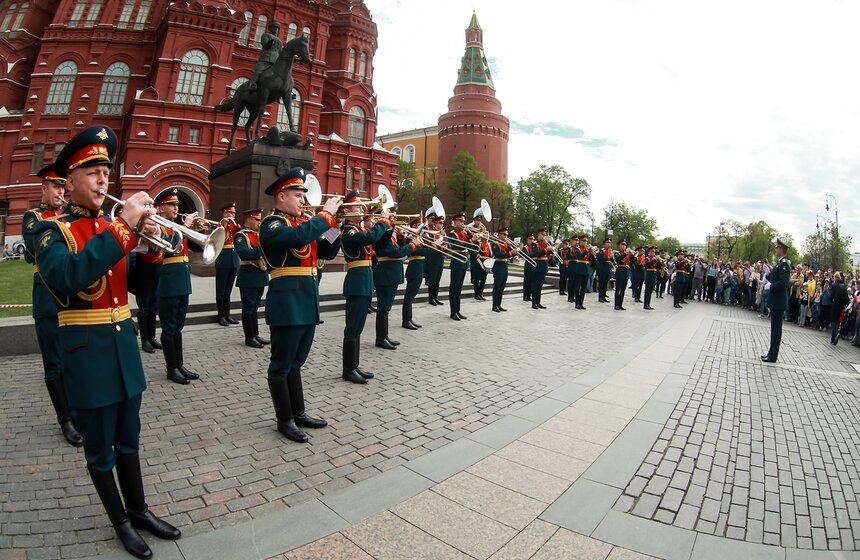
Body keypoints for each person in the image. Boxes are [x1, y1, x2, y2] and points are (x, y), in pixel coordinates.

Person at [35, 126, 180, 558]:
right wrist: (123, 231)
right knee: (100, 451)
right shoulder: (50, 232)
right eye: (93, 172)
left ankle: (138, 509)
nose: (103, 180)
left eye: (105, 172)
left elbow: (141, 290)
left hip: (122, 351)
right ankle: (120, 522)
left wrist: (153, 250)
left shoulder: (109, 229)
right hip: (87, 356)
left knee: (129, 439)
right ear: (70, 180)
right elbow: (69, 277)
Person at [259, 168, 342, 441]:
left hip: (306, 301)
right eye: (298, 195)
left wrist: (335, 228)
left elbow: (327, 251)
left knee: (296, 362)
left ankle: (299, 412)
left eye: (303, 195)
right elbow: (296, 240)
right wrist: (325, 216)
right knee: (281, 364)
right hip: (287, 302)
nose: (303, 201)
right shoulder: (271, 224)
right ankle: (284, 419)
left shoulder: (301, 224)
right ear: (281, 196)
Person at [23, 164, 83, 447]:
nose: (60, 191)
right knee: (54, 364)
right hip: (47, 299)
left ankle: (77, 409)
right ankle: (65, 420)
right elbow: (36, 248)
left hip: (72, 300)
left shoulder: (70, 215)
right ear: (44, 189)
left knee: (73, 360)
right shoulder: (33, 217)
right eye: (55, 187)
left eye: (63, 187)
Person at [340, 191, 391, 383]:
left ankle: (354, 365)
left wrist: (387, 226)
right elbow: (370, 238)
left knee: (358, 327)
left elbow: (377, 240)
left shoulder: (359, 230)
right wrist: (383, 222)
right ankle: (348, 369)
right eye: (356, 207)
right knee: (352, 327)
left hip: (365, 281)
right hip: (356, 282)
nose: (361, 209)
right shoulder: (349, 231)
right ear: (347, 211)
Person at [154, 189, 200, 385]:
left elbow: (199, 247)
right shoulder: (157, 227)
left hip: (182, 283)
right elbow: (168, 247)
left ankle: (179, 364)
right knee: (169, 328)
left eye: (177, 205)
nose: (176, 208)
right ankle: (171, 368)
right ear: (161, 207)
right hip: (167, 284)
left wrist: (197, 231)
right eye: (171, 205)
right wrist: (185, 227)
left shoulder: (177, 228)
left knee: (178, 328)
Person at [372, 212, 421, 348]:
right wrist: (412, 245)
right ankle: (380, 338)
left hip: (391, 275)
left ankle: (384, 336)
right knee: (383, 308)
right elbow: (396, 253)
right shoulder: (382, 237)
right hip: (386, 275)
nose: (393, 220)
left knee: (386, 308)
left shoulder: (389, 237)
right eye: (391, 218)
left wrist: (400, 236)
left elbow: (397, 248)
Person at [233, 208, 269, 348]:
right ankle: (249, 338)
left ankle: (255, 335)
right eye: (257, 220)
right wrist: (262, 249)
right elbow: (245, 253)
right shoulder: (241, 236)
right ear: (249, 220)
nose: (259, 223)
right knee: (248, 308)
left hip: (260, 275)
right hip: (248, 276)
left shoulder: (257, 234)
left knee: (255, 308)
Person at [127, 241, 162, 354]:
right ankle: (145, 340)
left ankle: (152, 338)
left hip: (156, 269)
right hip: (142, 271)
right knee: (144, 308)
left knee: (153, 307)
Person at [762, 239, 791, 362]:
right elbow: (775, 277)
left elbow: (783, 283)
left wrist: (770, 286)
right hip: (775, 301)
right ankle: (770, 353)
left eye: (777, 248)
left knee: (776, 330)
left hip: (778, 302)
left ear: (781, 249)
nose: (775, 250)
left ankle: (773, 356)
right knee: (774, 329)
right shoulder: (779, 263)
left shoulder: (784, 264)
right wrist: (768, 274)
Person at [401, 218, 431, 329]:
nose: (420, 228)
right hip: (414, 268)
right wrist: (435, 246)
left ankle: (409, 319)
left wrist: (428, 240)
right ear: (412, 227)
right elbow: (420, 251)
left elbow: (426, 250)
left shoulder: (419, 238)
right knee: (409, 296)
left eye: (420, 225)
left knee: (411, 296)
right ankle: (406, 321)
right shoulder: (409, 239)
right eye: (417, 225)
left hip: (419, 267)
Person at [214, 202, 241, 326]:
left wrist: (234, 225)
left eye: (234, 213)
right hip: (223, 261)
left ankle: (227, 315)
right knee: (221, 290)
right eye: (230, 213)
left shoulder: (233, 227)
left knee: (228, 291)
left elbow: (240, 234)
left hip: (233, 260)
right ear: (225, 213)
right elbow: (217, 240)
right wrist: (223, 224)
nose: (232, 215)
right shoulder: (220, 226)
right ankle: (221, 316)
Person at [446, 211, 473, 320]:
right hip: (457, 263)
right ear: (455, 221)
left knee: (459, 288)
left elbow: (471, 243)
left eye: (463, 221)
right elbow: (459, 245)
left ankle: (458, 310)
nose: (463, 223)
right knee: (454, 288)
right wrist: (471, 239)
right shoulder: (452, 234)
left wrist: (470, 233)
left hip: (463, 262)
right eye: (460, 221)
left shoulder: (464, 233)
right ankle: (453, 312)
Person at [248, 22, 283, 92]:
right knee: (258, 72)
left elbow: (281, 52)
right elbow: (265, 44)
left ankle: (280, 91)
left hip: (275, 61)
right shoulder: (265, 35)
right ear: (270, 28)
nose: (276, 29)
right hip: (266, 58)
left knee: (281, 76)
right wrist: (269, 43)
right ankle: (252, 85)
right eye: (274, 27)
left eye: (277, 28)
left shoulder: (279, 41)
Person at [491, 227, 516, 312]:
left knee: (502, 286)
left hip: (505, 265)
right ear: (499, 234)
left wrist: (511, 247)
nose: (506, 236)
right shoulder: (495, 243)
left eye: (506, 235)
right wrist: (510, 253)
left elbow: (512, 252)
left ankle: (499, 304)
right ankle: (494, 305)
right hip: (498, 265)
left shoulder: (506, 244)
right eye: (504, 234)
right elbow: (498, 255)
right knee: (497, 286)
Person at [423, 210, 445, 306]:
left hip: (440, 257)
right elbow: (429, 245)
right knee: (432, 279)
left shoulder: (442, 234)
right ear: (435, 224)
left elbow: (446, 245)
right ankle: (431, 298)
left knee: (438, 279)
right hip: (432, 258)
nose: (441, 225)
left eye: (442, 223)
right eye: (439, 223)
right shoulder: (429, 233)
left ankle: (436, 297)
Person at [527, 228, 551, 309]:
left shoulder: (546, 244)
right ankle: (534, 303)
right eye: (543, 235)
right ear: (539, 235)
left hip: (544, 266)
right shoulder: (535, 244)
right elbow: (536, 254)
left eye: (545, 235)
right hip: (537, 267)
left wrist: (550, 247)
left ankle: (538, 302)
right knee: (535, 285)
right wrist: (545, 250)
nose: (544, 237)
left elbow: (551, 252)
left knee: (540, 286)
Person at [570, 235, 592, 310]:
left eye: (586, 241)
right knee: (577, 287)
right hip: (579, 269)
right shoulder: (577, 249)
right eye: (584, 241)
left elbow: (591, 259)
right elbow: (579, 256)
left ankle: (581, 303)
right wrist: (586, 251)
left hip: (586, 270)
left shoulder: (587, 250)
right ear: (580, 241)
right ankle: (577, 303)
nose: (585, 242)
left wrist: (592, 253)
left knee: (584, 288)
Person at [829, 272, 850, 345]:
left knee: (833, 320)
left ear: (835, 278)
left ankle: (836, 333)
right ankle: (833, 339)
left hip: (835, 305)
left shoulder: (834, 285)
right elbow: (847, 299)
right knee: (837, 321)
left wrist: (832, 301)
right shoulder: (844, 286)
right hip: (841, 306)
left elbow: (831, 297)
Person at [614, 240, 631, 310]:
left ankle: (620, 304)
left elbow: (633, 260)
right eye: (622, 245)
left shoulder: (627, 254)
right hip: (620, 272)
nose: (624, 246)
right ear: (619, 246)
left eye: (625, 245)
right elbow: (618, 259)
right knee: (618, 289)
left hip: (626, 272)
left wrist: (631, 254)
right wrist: (625, 253)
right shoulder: (617, 253)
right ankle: (616, 305)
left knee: (623, 290)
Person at [596, 238, 613, 303]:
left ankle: (604, 296)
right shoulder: (601, 251)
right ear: (604, 244)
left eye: (609, 243)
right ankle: (600, 297)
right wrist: (608, 257)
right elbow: (600, 258)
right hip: (602, 270)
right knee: (601, 284)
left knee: (605, 284)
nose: (609, 244)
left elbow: (611, 260)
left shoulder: (609, 251)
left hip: (608, 269)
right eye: (607, 243)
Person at [643, 246, 659, 310]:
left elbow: (658, 267)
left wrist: (661, 263)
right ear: (649, 252)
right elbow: (647, 264)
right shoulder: (647, 258)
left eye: (654, 252)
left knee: (650, 291)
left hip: (653, 276)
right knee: (647, 290)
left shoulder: (655, 259)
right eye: (652, 251)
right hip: (648, 275)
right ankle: (645, 304)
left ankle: (648, 304)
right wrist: (655, 260)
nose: (654, 253)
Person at [522, 233, 535, 302]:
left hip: (533, 266)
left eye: (533, 239)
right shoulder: (525, 247)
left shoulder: (535, 247)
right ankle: (525, 296)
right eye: (530, 239)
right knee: (526, 281)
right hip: (528, 265)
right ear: (527, 240)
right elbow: (526, 256)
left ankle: (529, 295)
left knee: (531, 282)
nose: (532, 240)